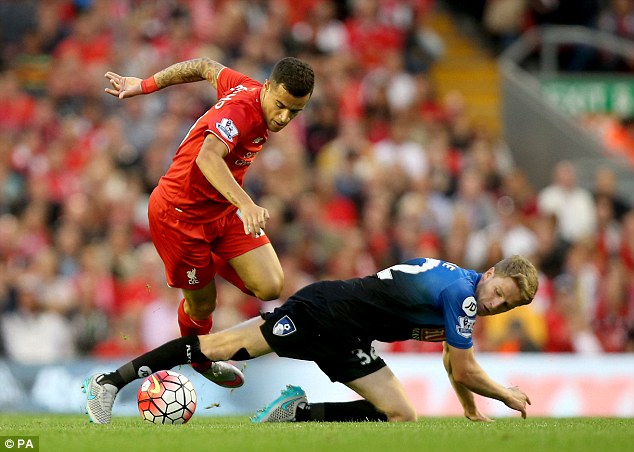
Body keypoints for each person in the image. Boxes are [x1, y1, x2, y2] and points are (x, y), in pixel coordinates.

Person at [83, 255, 538, 424]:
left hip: (349, 335)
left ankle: (294, 412)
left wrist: (470, 408)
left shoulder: (463, 293)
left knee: (400, 414)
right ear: (492, 272)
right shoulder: (463, 295)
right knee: (216, 347)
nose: (497, 304)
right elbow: (464, 367)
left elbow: (451, 362)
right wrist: (504, 394)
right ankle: (109, 382)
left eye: (507, 306)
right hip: (323, 312)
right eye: (500, 293)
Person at [101, 57, 315, 388]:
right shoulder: (241, 111)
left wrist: (144, 84)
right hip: (178, 216)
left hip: (220, 213)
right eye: (282, 106)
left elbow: (203, 66)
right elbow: (207, 157)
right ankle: (201, 360)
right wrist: (245, 203)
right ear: (268, 87)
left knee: (271, 285)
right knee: (202, 305)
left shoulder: (248, 86)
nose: (285, 117)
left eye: (295, 112)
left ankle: (208, 263)